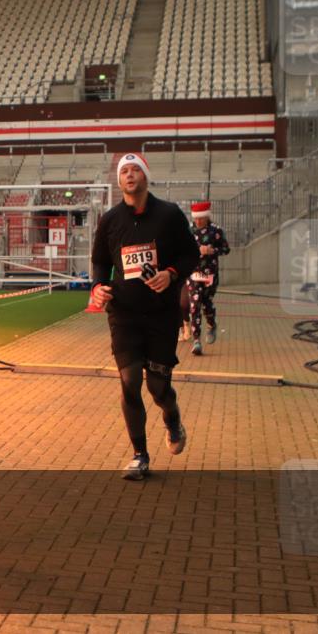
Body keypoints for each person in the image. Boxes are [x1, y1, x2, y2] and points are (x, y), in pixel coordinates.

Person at [90, 153, 199, 480]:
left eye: (136, 169)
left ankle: (172, 419)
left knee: (157, 387)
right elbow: (99, 261)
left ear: (146, 176)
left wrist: (171, 273)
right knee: (129, 381)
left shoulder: (169, 215)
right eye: (124, 171)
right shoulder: (110, 220)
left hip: (160, 315)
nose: (130, 174)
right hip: (123, 313)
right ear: (119, 180)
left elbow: (191, 254)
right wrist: (97, 286)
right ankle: (140, 454)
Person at [186, 201, 230, 355]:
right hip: (193, 273)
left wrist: (212, 250)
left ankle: (211, 324)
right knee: (194, 304)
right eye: (196, 218)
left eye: (201, 218)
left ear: (207, 217)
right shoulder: (189, 231)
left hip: (209, 273)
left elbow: (226, 249)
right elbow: (181, 250)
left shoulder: (215, 231)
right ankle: (196, 340)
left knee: (206, 303)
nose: (198, 221)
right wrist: (197, 250)